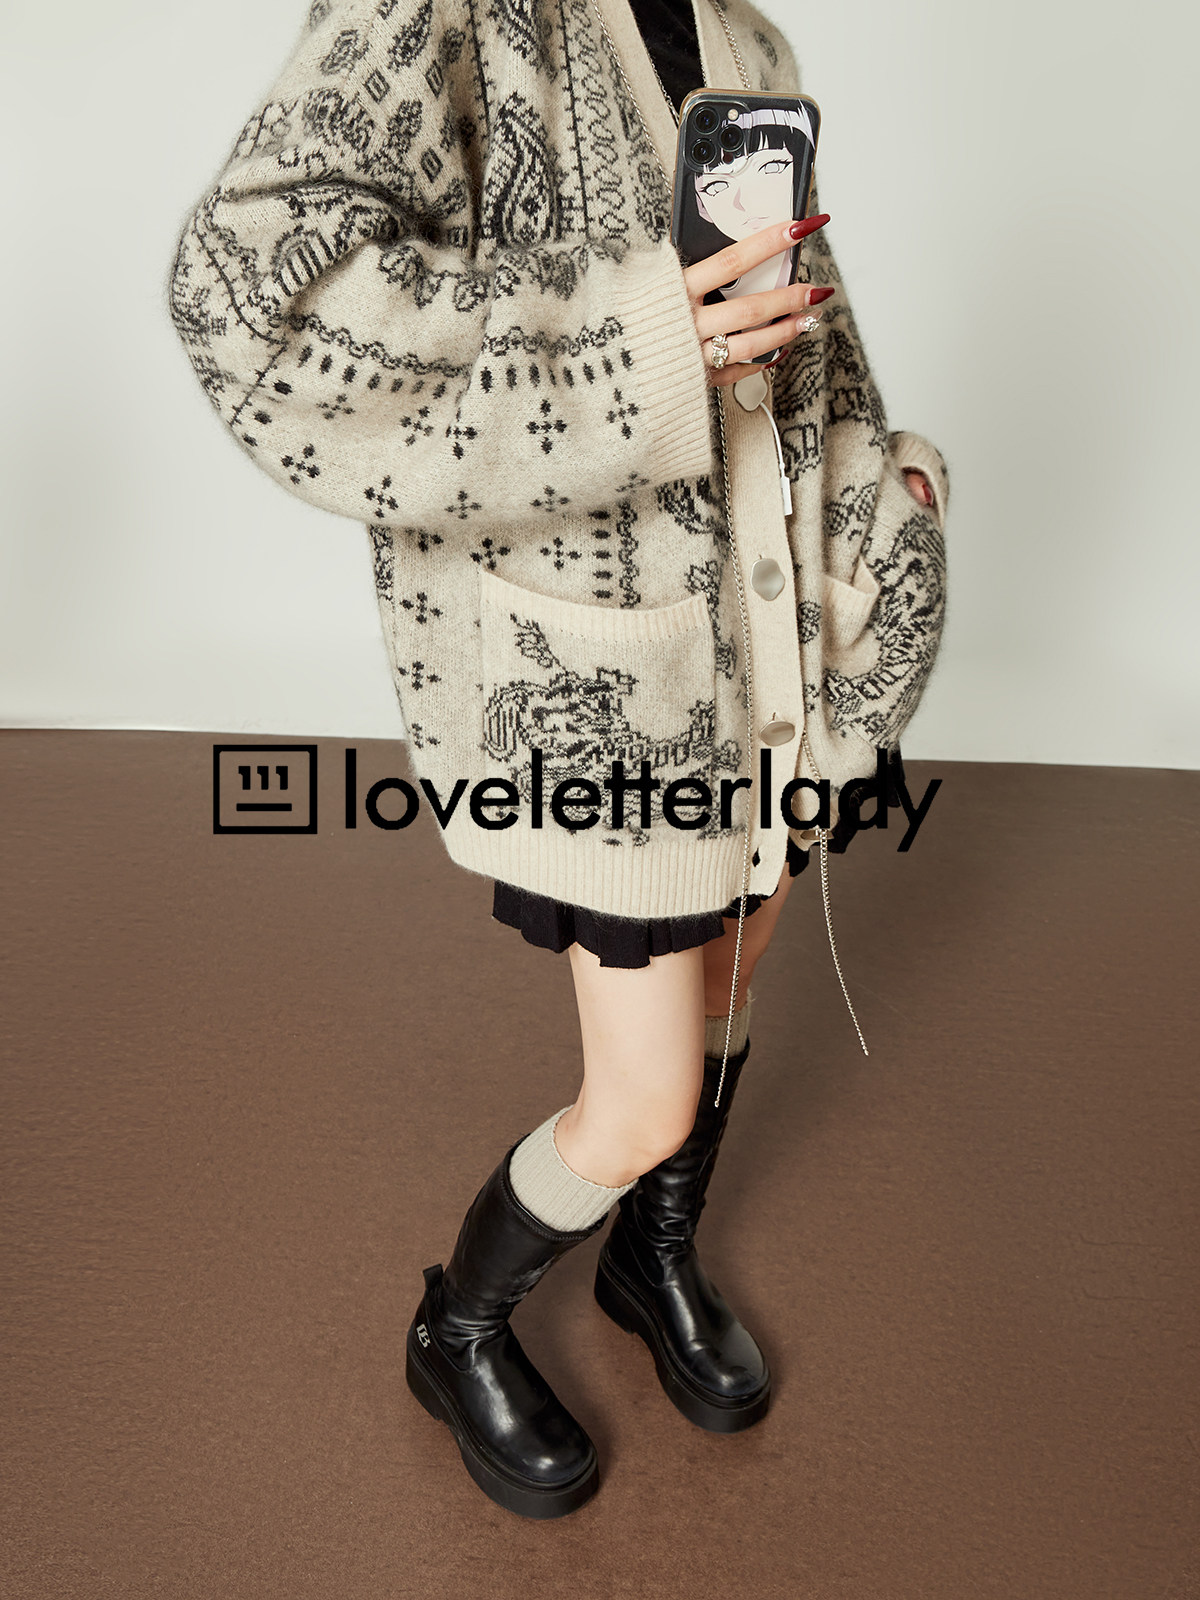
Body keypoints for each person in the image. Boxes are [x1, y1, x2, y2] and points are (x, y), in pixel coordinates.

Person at [169, 0, 949, 1520]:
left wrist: (880, 493)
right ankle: (455, 1326)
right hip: (601, 677)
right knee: (641, 1101)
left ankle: (652, 1259)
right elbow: (254, 297)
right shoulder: (445, 13)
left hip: (772, 643)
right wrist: (636, 341)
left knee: (733, 969)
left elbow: (797, 318)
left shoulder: (739, 33)